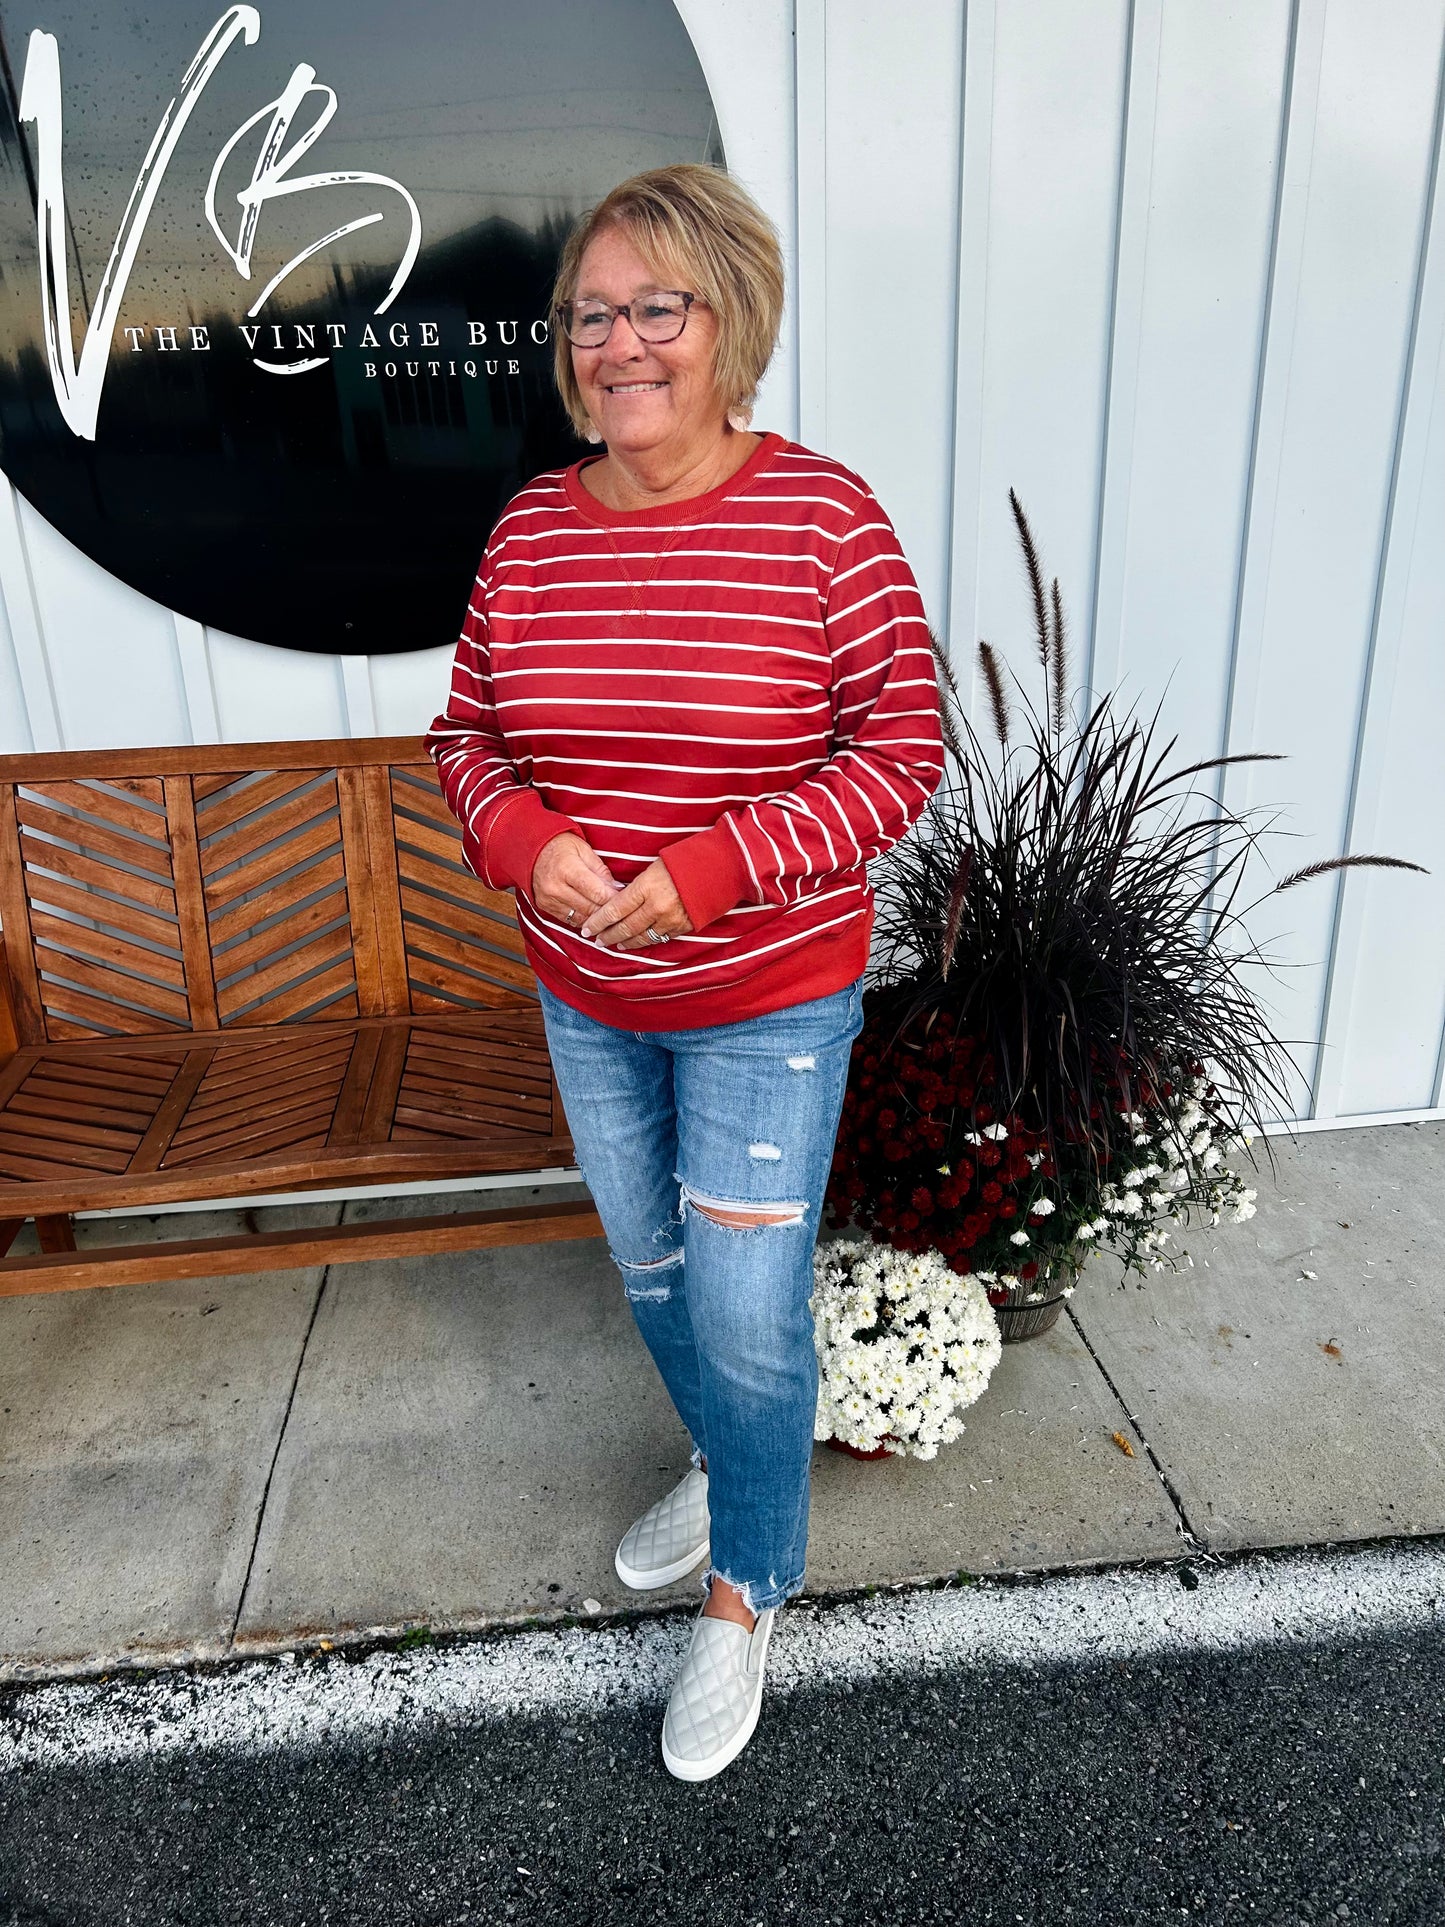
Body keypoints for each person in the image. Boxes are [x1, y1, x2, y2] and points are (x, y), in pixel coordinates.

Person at [427, 162, 942, 1781]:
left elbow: (905, 746)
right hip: (588, 993)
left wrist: (714, 867)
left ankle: (746, 1587)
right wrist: (523, 844)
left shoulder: (821, 516)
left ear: (730, 324)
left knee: (736, 1294)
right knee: (655, 1272)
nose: (617, 343)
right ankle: (737, 1462)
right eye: (591, 314)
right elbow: (466, 739)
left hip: (770, 999)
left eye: (657, 307)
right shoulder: (527, 530)